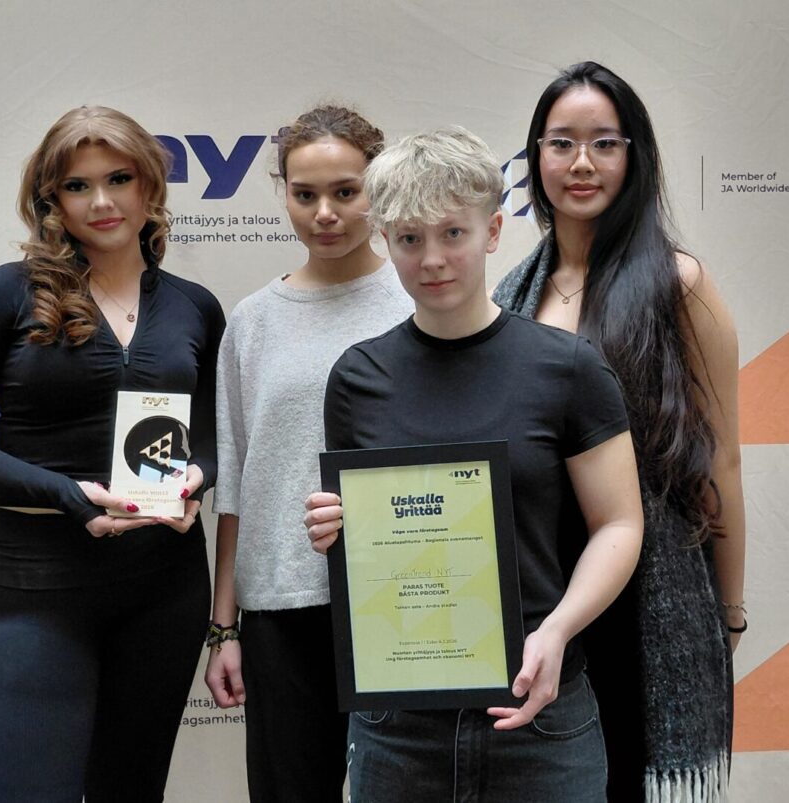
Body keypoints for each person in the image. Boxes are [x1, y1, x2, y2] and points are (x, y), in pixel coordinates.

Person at [304, 127, 644, 803]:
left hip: (540, 709)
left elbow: (620, 524)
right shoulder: (357, 378)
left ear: (492, 231)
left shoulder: (568, 368)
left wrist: (558, 630)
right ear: (385, 242)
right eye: (409, 238)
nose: (432, 259)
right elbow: (366, 540)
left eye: (452, 233)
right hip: (397, 726)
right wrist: (334, 526)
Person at [0, 106, 225, 802]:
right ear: (52, 198)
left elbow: (211, 436)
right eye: (78, 185)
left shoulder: (195, 307)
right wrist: (64, 492)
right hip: (38, 587)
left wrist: (196, 478)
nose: (102, 201)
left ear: (151, 185)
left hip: (164, 589)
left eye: (120, 178)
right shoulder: (9, 291)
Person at [492, 60, 747, 801]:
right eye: (561, 143)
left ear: (635, 156)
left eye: (604, 143)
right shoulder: (508, 294)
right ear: (535, 156)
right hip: (536, 588)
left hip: (643, 594)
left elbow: (722, 461)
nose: (582, 163)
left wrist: (729, 610)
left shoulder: (679, 284)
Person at [203, 105, 414, 803]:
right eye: (305, 194)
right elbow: (237, 485)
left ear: (377, 189)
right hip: (282, 606)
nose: (325, 213)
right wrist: (224, 626)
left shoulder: (420, 299)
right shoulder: (253, 321)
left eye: (345, 192)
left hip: (405, 595)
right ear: (285, 195)